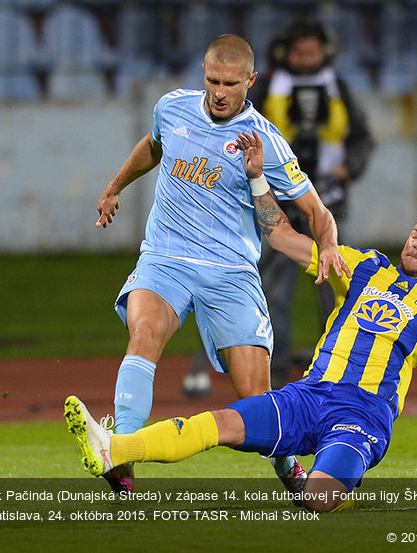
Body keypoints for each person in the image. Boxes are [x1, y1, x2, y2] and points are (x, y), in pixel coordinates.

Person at [65, 130, 417, 512]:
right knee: (222, 423)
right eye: (416, 234)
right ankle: (112, 450)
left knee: (317, 500)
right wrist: (257, 178)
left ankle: (332, 480)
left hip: (363, 416)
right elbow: (281, 237)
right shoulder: (363, 267)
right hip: (309, 396)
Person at [92, 35, 345, 494]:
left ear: (251, 80)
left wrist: (327, 245)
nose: (219, 91)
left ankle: (288, 466)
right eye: (212, 80)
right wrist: (115, 187)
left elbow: (316, 210)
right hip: (165, 258)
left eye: (230, 83)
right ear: (203, 73)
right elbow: (153, 146)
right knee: (143, 333)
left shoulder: (263, 139)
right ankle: (121, 453)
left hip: (231, 272)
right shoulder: (172, 108)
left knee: (254, 396)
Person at [183, 18, 374, 394]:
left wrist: (349, 167)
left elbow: (362, 138)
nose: (307, 59)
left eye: (314, 52)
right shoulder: (267, 86)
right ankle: (276, 369)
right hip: (274, 201)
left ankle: (337, 369)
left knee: (338, 284)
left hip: (326, 199)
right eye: (300, 52)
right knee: (272, 290)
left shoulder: (339, 87)